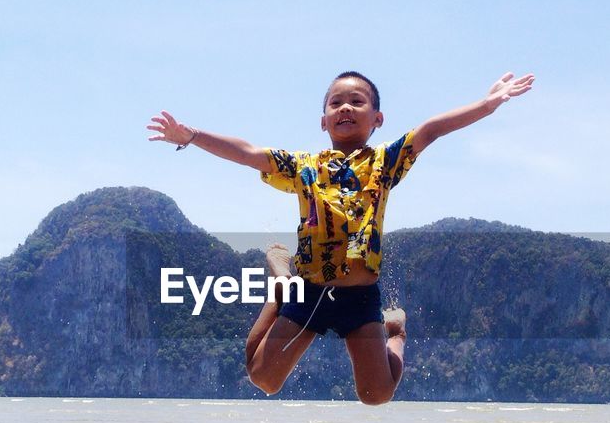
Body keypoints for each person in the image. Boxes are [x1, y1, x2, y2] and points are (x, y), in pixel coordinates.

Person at [148, 70, 534, 405]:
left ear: (377, 118)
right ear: (323, 121)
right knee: (262, 379)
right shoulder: (304, 168)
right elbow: (248, 153)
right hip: (309, 290)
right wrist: (191, 135)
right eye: (336, 103)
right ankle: (280, 288)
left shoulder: (385, 163)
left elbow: (431, 130)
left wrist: (486, 105)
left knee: (376, 395)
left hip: (359, 296)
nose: (345, 108)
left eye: (356, 101)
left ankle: (395, 330)